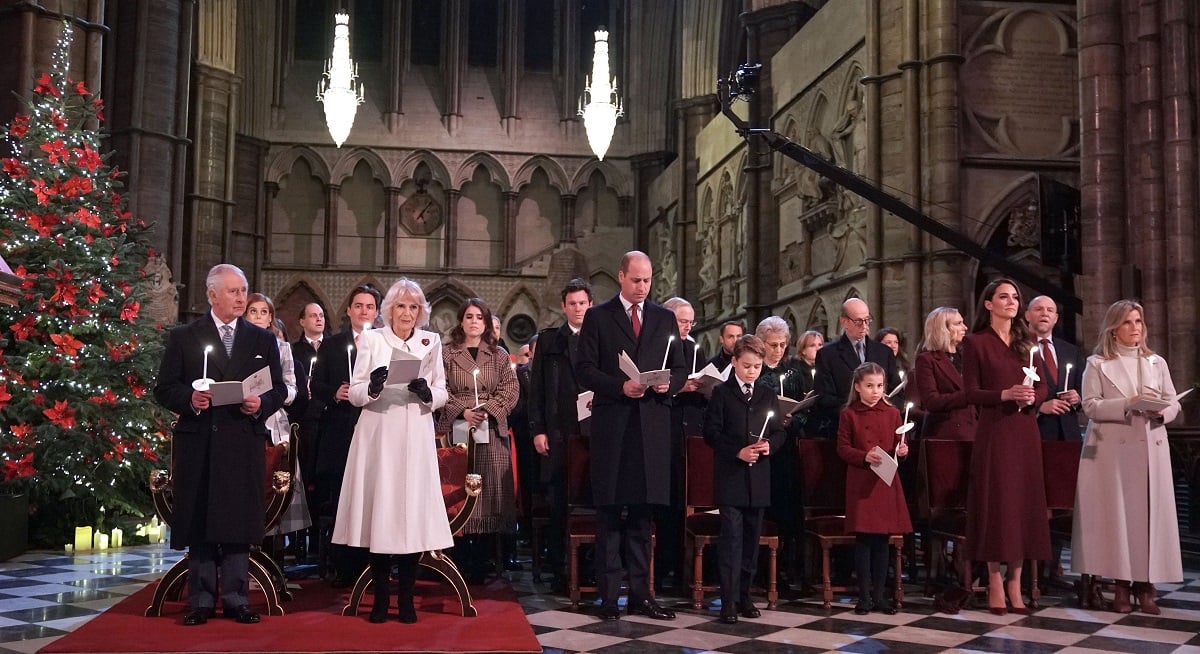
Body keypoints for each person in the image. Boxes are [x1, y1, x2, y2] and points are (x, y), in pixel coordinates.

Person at [153, 264, 286, 626]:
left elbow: (279, 389)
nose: (241, 298)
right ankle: (200, 600)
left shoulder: (261, 339)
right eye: (233, 291)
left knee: (237, 521)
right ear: (212, 295)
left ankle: (236, 598)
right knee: (201, 519)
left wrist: (262, 404)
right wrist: (189, 400)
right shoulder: (185, 336)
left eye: (243, 290)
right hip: (200, 443)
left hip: (242, 440)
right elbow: (164, 388)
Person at [332, 278, 453, 623]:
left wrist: (426, 392)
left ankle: (407, 600)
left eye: (413, 307)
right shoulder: (372, 339)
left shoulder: (431, 341)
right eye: (401, 306)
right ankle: (382, 598)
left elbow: (443, 390)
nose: (407, 313)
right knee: (381, 512)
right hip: (379, 432)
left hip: (414, 430)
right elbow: (354, 392)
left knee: (410, 514)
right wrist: (371, 387)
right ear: (389, 310)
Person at [576, 251, 687, 621]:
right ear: (621, 277)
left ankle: (641, 594)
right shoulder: (598, 317)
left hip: (652, 428)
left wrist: (666, 386)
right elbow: (585, 370)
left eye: (648, 280)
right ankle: (609, 598)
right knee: (609, 516)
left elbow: (680, 368)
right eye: (636, 280)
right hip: (614, 428)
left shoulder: (664, 317)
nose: (642, 287)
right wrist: (619, 387)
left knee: (642, 518)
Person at [1071, 300, 1182, 615]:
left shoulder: (1155, 362)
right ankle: (1120, 583)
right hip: (1113, 451)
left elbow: (1173, 400)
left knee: (1149, 515)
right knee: (1118, 517)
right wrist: (1127, 403)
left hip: (1150, 445)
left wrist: (1165, 412)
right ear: (1113, 328)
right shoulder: (1097, 363)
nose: (1136, 328)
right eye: (1128, 322)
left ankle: (1146, 586)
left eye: (1138, 321)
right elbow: (1090, 406)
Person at [961, 278, 1050, 615]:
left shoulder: (1028, 343)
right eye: (1004, 296)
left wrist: (1032, 396)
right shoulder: (975, 342)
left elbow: (1042, 387)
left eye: (1015, 297)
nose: (1012, 302)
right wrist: (1004, 394)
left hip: (1025, 430)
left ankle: (1017, 583)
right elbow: (970, 392)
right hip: (995, 431)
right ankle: (994, 580)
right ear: (988, 304)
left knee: (1023, 505)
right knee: (998, 504)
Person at [435, 298, 520, 583]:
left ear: (486, 323)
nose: (474, 321)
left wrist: (485, 411)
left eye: (479, 317)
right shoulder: (446, 355)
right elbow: (440, 388)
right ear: (461, 321)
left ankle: (483, 560)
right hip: (457, 432)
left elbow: (510, 390)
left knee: (487, 494)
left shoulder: (498, 356)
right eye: (469, 316)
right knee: (458, 491)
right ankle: (457, 557)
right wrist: (463, 410)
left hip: (490, 432)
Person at [703, 335, 785, 624]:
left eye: (757, 366)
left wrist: (769, 446)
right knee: (732, 541)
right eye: (746, 365)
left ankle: (745, 597)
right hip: (732, 478)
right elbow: (711, 433)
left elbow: (778, 431)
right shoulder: (722, 394)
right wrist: (737, 451)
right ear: (734, 362)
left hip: (759, 479)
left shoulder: (767, 394)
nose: (752, 371)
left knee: (751, 542)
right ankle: (727, 601)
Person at [310, 284, 380, 586]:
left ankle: (373, 565)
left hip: (374, 430)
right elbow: (316, 384)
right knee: (342, 499)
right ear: (349, 310)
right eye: (358, 306)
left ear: (377, 313)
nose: (363, 311)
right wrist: (335, 393)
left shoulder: (382, 343)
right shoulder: (332, 344)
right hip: (340, 433)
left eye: (369, 307)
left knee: (372, 499)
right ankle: (343, 566)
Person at [529, 278, 594, 585]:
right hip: (558, 430)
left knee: (591, 500)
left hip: (592, 432)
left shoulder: (600, 337)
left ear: (590, 304)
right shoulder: (550, 340)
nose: (577, 308)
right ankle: (559, 569)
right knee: (558, 500)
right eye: (572, 303)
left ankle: (588, 569)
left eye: (582, 303)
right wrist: (538, 430)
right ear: (563, 306)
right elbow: (538, 390)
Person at [836, 362, 911, 614]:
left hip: (885, 482)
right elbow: (843, 448)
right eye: (869, 386)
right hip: (861, 482)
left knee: (882, 542)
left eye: (879, 386)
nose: (875, 391)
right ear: (857, 387)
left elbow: (899, 445)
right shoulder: (849, 414)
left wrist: (902, 450)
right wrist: (863, 456)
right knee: (864, 541)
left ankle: (880, 596)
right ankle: (864, 597)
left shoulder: (893, 413)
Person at [243, 294, 311, 547]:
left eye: (264, 312)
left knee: (276, 490)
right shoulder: (237, 344)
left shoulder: (282, 348)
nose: (259, 317)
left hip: (274, 424)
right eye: (253, 312)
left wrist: (272, 395)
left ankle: (274, 560)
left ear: (271, 317)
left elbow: (292, 390)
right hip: (243, 418)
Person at [753, 316, 802, 588]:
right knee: (765, 511)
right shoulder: (755, 373)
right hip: (762, 450)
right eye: (773, 344)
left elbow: (802, 408)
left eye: (783, 344)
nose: (779, 350)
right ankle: (761, 570)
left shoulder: (793, 373)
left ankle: (785, 569)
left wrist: (795, 418)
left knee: (787, 510)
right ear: (761, 343)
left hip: (786, 451)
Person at [814, 298, 900, 437]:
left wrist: (883, 412)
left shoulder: (884, 352)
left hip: (882, 428)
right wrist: (858, 412)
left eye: (867, 320)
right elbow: (824, 398)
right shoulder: (828, 355)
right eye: (858, 321)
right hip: (847, 429)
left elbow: (897, 393)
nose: (864, 325)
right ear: (844, 322)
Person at [290, 302, 326, 558]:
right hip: (305, 420)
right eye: (312, 315)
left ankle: (321, 541)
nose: (318, 319)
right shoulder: (293, 351)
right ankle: (301, 537)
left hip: (328, 419)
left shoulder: (334, 347)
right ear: (301, 321)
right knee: (306, 477)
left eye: (321, 315)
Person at [1025, 296, 1084, 441]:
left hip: (1069, 434)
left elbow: (1083, 388)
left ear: (1056, 318)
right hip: (1035, 433)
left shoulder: (1071, 350)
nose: (1045, 313)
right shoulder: (1017, 349)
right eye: (1038, 309)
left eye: (1050, 310)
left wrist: (1077, 398)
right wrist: (1039, 408)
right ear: (1027, 315)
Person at [914, 307, 975, 440]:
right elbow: (932, 401)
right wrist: (968, 396)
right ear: (943, 328)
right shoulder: (926, 360)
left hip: (973, 431)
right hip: (945, 433)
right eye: (958, 323)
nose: (965, 327)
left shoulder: (968, 356)